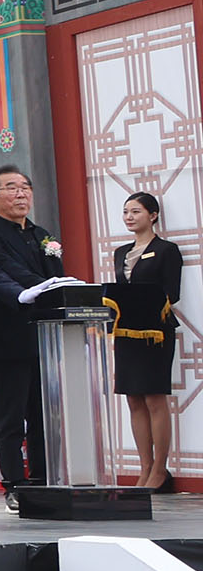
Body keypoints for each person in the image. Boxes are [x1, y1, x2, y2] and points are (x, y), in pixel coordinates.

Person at [0, 164, 60, 511]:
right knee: (11, 417)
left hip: (45, 339)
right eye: (11, 188)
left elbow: (57, 276)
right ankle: (14, 484)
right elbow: (7, 274)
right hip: (7, 340)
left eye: (25, 187)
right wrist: (45, 286)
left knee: (42, 414)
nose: (21, 193)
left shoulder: (42, 234)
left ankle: (43, 481)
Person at [112, 191, 184, 493]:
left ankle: (159, 469)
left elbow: (172, 292)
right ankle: (143, 466)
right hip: (126, 331)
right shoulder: (120, 252)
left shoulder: (166, 250)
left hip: (155, 331)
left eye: (136, 211)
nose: (130, 217)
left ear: (153, 215)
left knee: (154, 398)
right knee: (133, 399)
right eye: (126, 212)